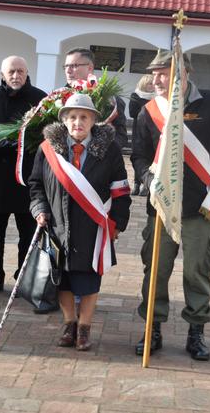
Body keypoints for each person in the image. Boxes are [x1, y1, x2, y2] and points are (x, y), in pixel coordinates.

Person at [131, 49, 210, 361]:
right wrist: (146, 176)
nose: (156, 79)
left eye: (163, 72)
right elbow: (139, 155)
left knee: (198, 271)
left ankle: (196, 332)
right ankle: (152, 328)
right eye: (154, 73)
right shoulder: (148, 111)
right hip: (163, 208)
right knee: (155, 271)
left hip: (201, 207)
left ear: (184, 73)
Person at [30, 93, 131, 351]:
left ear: (93, 120)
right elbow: (36, 186)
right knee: (62, 278)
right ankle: (69, 324)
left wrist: (117, 224)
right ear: (64, 120)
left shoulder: (110, 150)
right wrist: (39, 210)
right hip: (57, 225)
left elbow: (120, 190)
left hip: (93, 228)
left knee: (88, 279)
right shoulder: (47, 150)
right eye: (72, 117)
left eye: (84, 117)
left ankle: (84, 329)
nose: (78, 122)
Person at [0, 56, 47, 299]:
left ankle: (22, 279)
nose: (16, 76)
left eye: (20, 71)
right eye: (11, 72)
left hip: (28, 180)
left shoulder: (40, 99)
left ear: (27, 73)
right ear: (2, 74)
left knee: (28, 234)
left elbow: (47, 132)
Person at [63, 48, 128, 148]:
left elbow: (121, 138)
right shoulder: (58, 97)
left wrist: (105, 138)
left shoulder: (110, 100)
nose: (68, 70)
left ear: (90, 68)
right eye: (66, 66)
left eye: (74, 66)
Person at [128, 74, 155, 196]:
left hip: (152, 131)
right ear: (144, 84)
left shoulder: (158, 97)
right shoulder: (136, 95)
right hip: (138, 131)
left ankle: (146, 185)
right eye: (150, 83)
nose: (152, 85)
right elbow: (132, 112)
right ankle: (136, 184)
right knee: (138, 156)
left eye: (153, 83)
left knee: (150, 157)